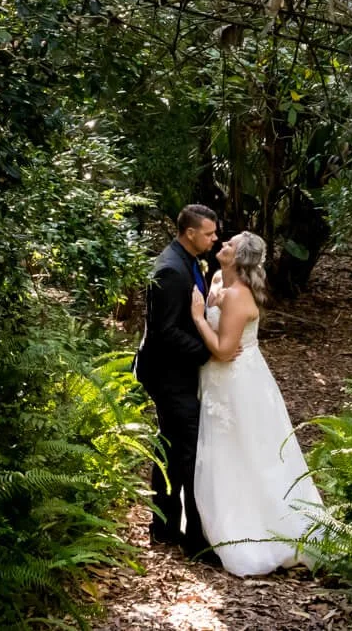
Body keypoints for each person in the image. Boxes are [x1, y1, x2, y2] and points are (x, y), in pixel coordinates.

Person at [188, 231, 324, 576]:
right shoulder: (220, 280)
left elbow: (221, 349)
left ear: (238, 258)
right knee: (223, 452)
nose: (223, 245)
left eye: (229, 244)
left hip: (238, 383)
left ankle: (259, 533)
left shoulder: (238, 296)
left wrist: (199, 318)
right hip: (219, 381)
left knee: (246, 453)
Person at [133, 203, 219, 554]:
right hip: (169, 374)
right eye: (209, 233)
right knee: (186, 450)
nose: (214, 239)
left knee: (170, 447)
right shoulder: (171, 270)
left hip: (177, 372)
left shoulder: (186, 261)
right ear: (190, 233)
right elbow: (164, 332)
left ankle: (165, 527)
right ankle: (195, 540)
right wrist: (208, 352)